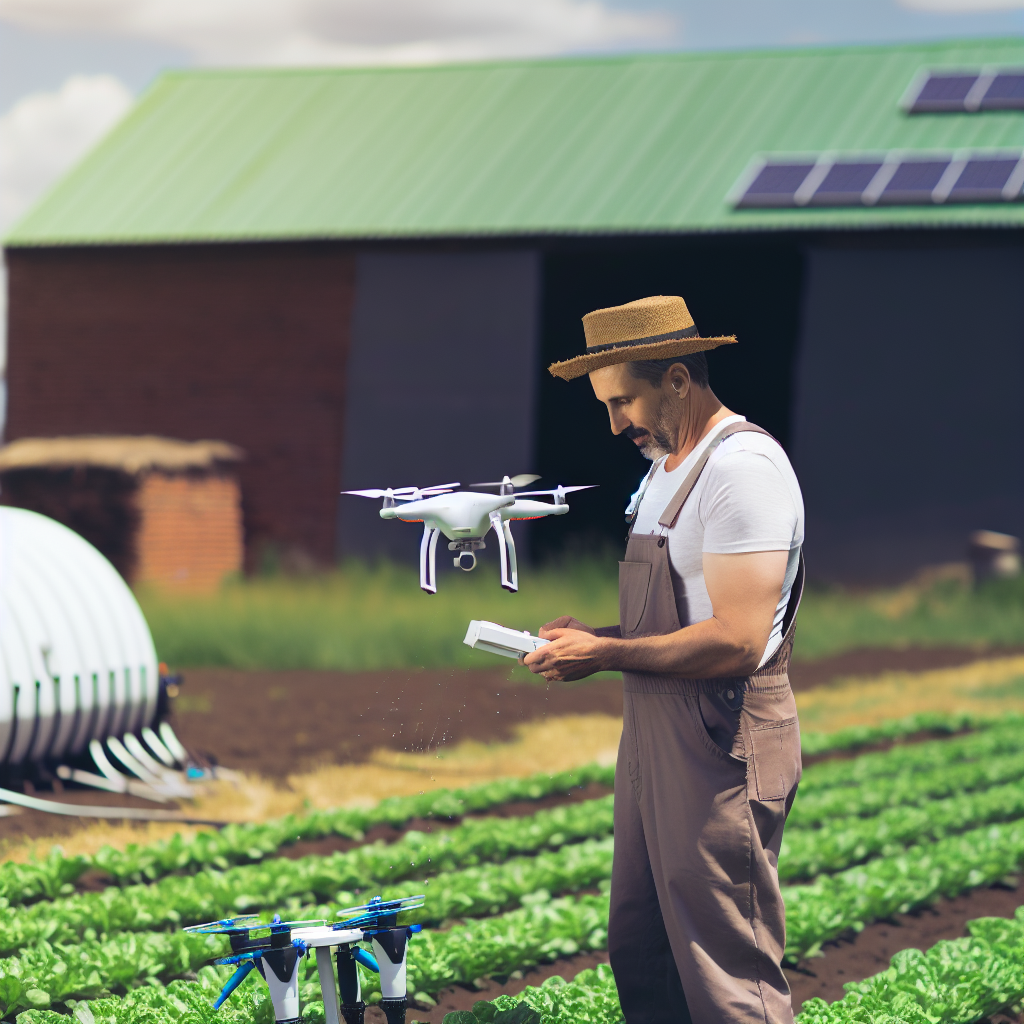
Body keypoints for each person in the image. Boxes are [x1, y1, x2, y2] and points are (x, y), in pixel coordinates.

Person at [523, 295, 805, 1024]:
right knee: (642, 945)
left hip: (719, 739)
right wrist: (596, 635)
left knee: (724, 964)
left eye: (625, 401)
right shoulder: (664, 471)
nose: (615, 423)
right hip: (653, 731)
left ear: (678, 378)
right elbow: (678, 611)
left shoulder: (741, 468)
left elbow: (739, 639)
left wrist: (609, 653)